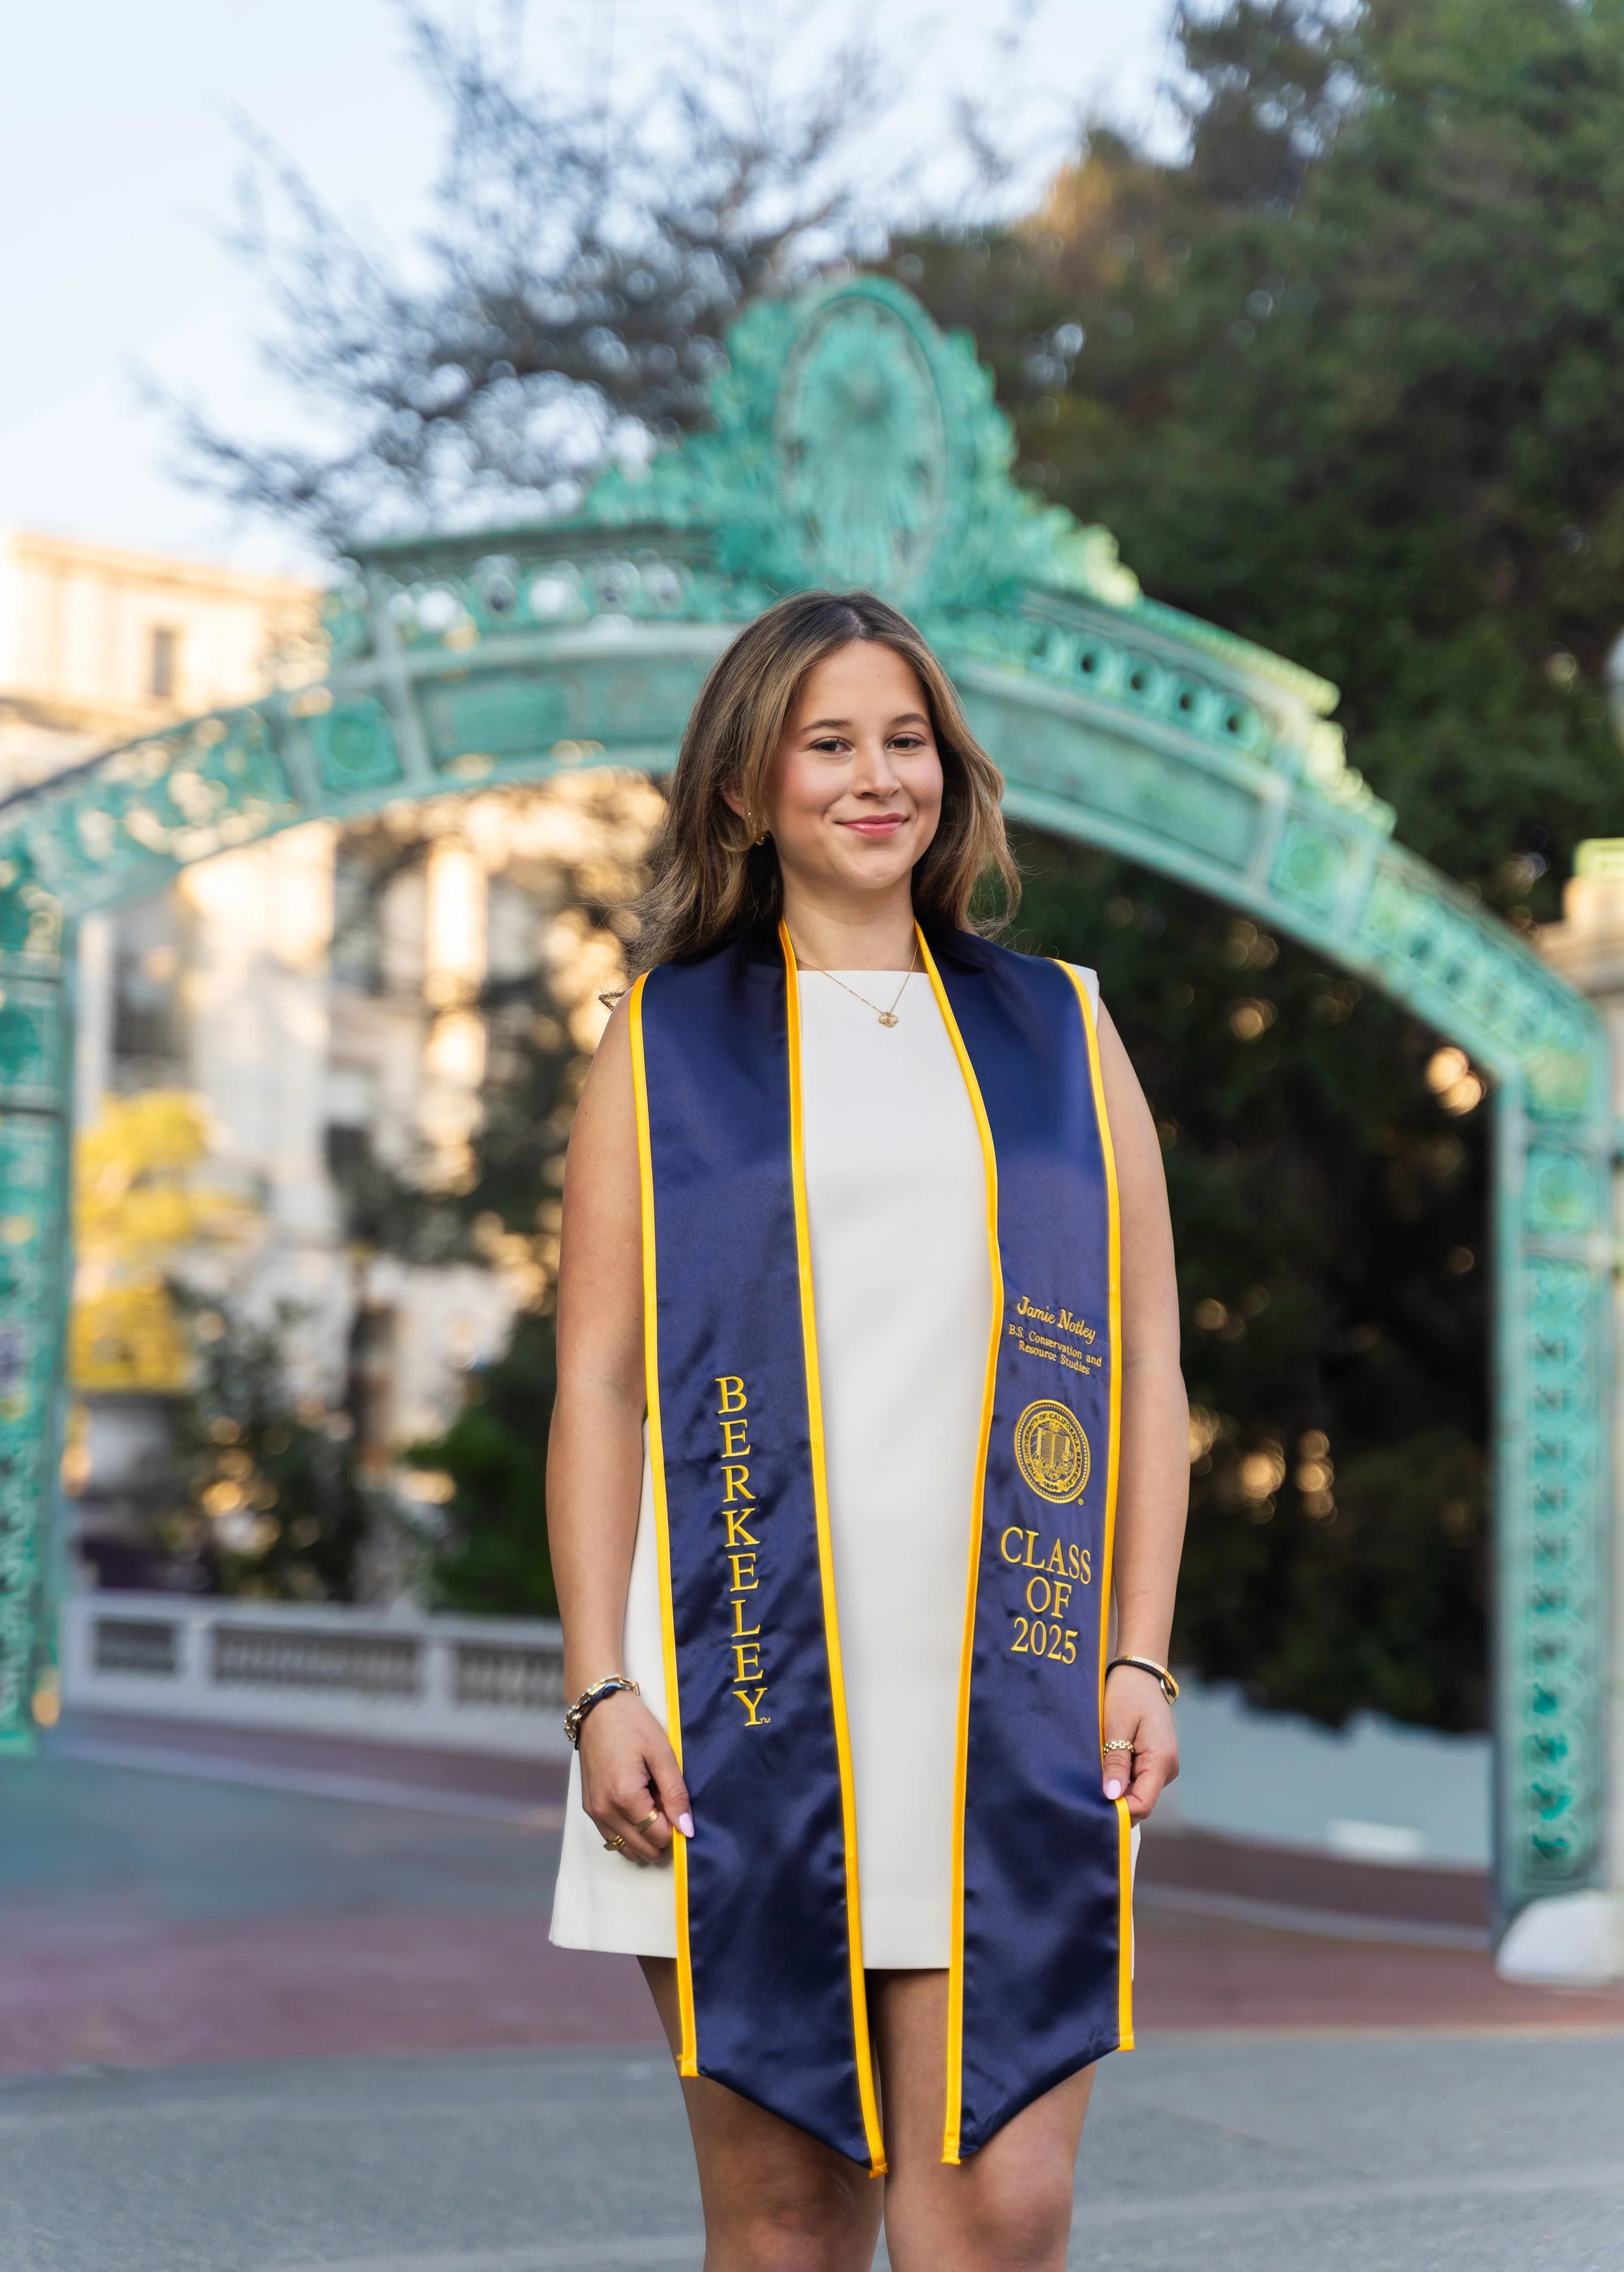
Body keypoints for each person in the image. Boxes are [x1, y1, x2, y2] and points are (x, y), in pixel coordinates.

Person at [547, 590, 1188, 2272]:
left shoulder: (1060, 1025)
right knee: (784, 2226)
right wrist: (601, 1686)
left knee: (1002, 2212)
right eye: (827, 743)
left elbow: (1147, 1364)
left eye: (906, 740)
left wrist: (1140, 1650)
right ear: (745, 785)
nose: (874, 777)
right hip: (741, 1676)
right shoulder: (660, 1040)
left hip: (1013, 1676)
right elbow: (599, 1383)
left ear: (949, 772)